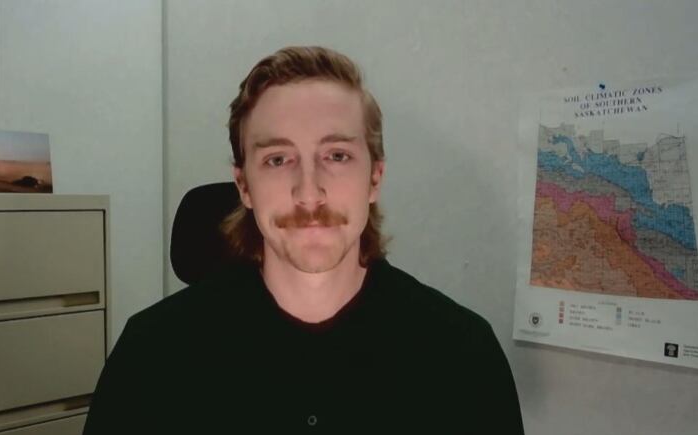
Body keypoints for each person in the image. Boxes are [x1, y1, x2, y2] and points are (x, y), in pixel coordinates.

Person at [83, 46, 523, 434]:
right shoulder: (153, 356)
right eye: (278, 159)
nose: (309, 193)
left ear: (374, 177)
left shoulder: (463, 357)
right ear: (244, 187)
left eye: (337, 155)